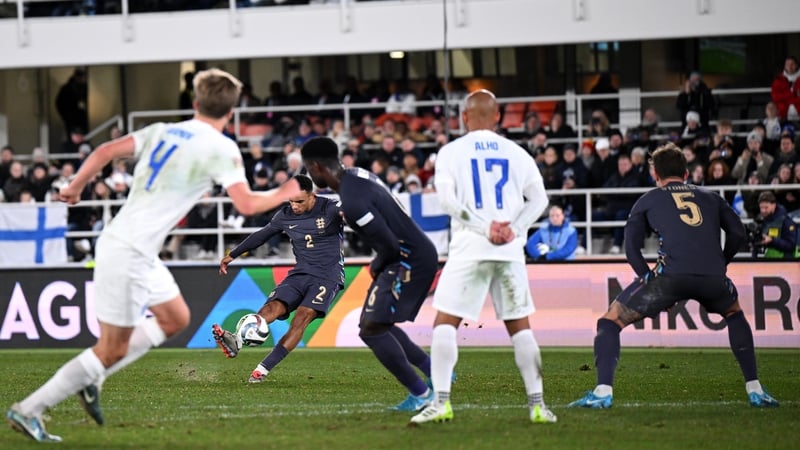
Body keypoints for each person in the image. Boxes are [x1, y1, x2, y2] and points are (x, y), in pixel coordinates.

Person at [5, 68, 301, 443]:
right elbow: (245, 203)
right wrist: (285, 190)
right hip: (128, 249)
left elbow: (105, 150)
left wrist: (76, 185)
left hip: (135, 246)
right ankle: (29, 409)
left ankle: (93, 377)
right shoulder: (221, 147)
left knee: (175, 317)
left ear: (194, 103)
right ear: (231, 111)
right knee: (110, 349)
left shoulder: (162, 129)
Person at [568, 142, 779, 409]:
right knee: (735, 314)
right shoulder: (712, 197)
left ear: (655, 175)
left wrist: (647, 278)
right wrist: (720, 264)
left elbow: (631, 248)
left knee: (610, 322)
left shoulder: (648, 199)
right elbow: (738, 233)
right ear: (687, 174)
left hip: (669, 276)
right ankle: (755, 389)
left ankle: (602, 393)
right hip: (713, 277)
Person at [409, 89, 555, 425]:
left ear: (464, 117)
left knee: (445, 324)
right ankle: (538, 405)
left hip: (470, 247)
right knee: (520, 327)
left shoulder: (451, 151)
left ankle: (442, 402)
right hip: (509, 250)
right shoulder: (517, 153)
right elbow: (539, 200)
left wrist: (484, 226)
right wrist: (514, 228)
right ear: (498, 117)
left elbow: (445, 200)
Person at [301, 136, 439, 412]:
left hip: (407, 258)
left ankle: (422, 394)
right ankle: (436, 373)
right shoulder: (356, 176)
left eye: (307, 168)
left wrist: (375, 267)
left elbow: (389, 246)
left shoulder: (352, 202)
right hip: (411, 251)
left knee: (371, 329)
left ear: (316, 167)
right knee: (377, 323)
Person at [211, 174, 345, 381]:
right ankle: (236, 341)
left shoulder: (331, 209)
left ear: (312, 196)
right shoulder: (285, 215)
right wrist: (233, 254)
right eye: (291, 201)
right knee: (271, 309)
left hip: (328, 276)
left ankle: (262, 369)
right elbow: (262, 235)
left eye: (299, 201)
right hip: (300, 273)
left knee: (302, 317)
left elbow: (360, 218)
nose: (295, 206)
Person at [754, 191, 798, 259]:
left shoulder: (786, 222)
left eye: (766, 207)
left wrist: (772, 240)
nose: (763, 211)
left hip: (784, 261)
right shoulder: (761, 220)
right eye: (761, 208)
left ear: (773, 205)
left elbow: (791, 245)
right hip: (766, 260)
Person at [55, 68, 88, 137]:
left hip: (82, 117)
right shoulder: (66, 89)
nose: (80, 79)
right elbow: (59, 103)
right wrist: (66, 116)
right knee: (71, 135)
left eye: (81, 77)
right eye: (79, 77)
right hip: (70, 118)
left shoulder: (84, 88)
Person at [770, 56, 800, 122]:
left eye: (792, 64)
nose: (790, 67)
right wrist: (794, 94)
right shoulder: (778, 80)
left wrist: (787, 97)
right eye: (787, 64)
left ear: (796, 65)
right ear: (784, 66)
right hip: (783, 114)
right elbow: (775, 97)